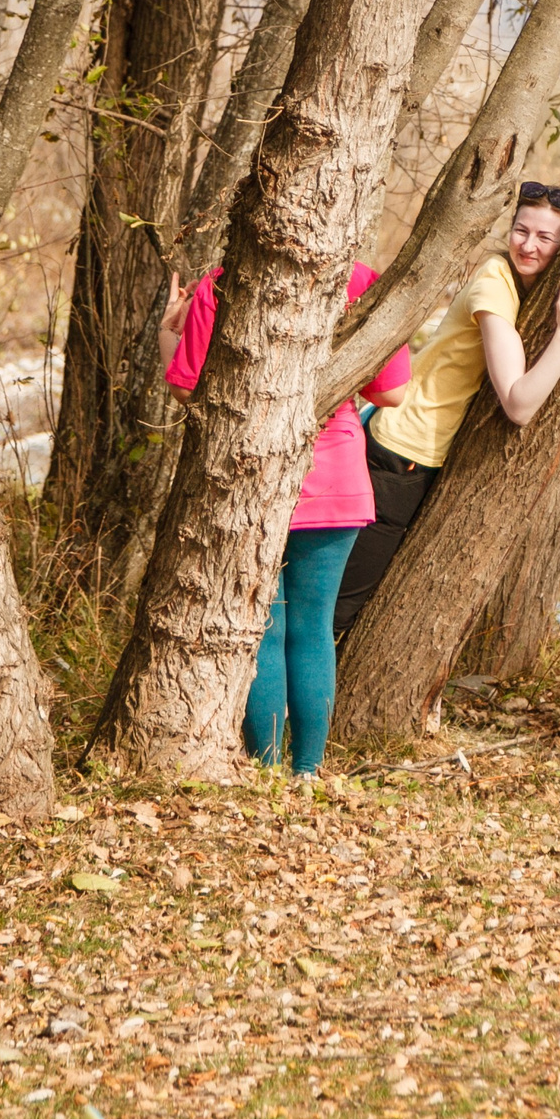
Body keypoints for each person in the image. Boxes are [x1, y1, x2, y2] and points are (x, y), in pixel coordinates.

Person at [332, 179, 560, 639]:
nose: (528, 246)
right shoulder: (495, 282)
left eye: (544, 237)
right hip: (400, 451)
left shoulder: (543, 290)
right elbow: (518, 404)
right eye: (521, 230)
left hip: (420, 453)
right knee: (342, 608)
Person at [159, 259, 411, 776]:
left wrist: (171, 329)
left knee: (265, 628)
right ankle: (307, 772)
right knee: (313, 627)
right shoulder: (359, 280)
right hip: (335, 473)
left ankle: (269, 770)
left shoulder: (227, 276)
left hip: (253, 475)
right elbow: (391, 392)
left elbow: (187, 387)